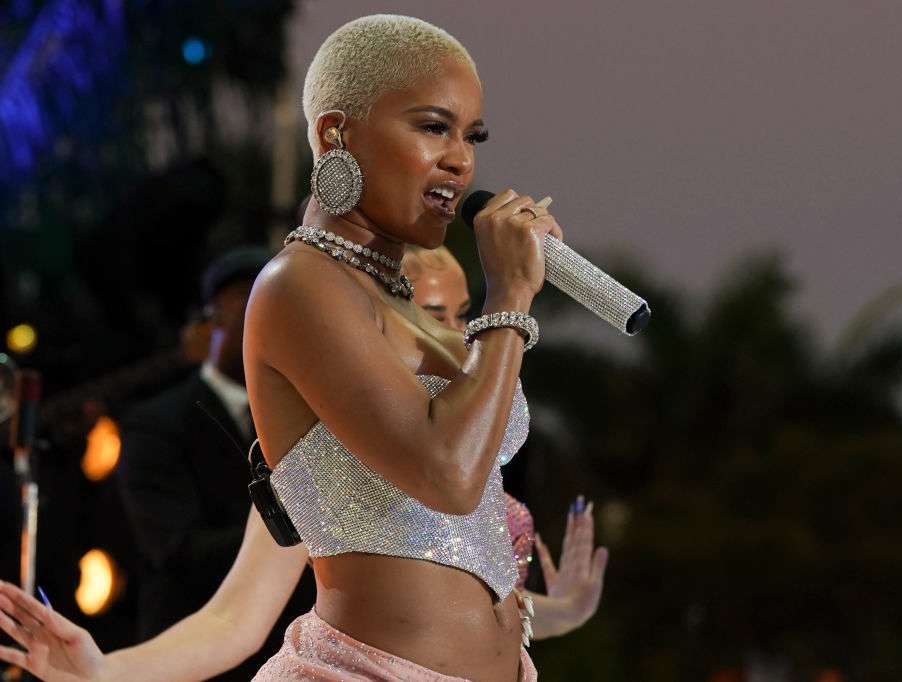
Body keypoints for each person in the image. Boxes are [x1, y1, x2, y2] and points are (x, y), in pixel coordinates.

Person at [1, 14, 584, 680]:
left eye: (472, 136)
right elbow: (447, 474)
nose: (461, 159)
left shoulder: (403, 310)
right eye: (433, 127)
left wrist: (555, 611)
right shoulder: (298, 288)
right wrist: (509, 298)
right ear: (336, 133)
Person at [0, 244, 608, 681]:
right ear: (372, 324)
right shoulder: (325, 450)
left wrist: (565, 611)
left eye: (462, 312)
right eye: (430, 313)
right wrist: (104, 671)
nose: (455, 336)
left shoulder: (472, 436)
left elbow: (473, 610)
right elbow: (235, 619)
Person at [115, 246, 316, 679]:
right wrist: (306, 529)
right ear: (214, 318)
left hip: (297, 651)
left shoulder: (314, 418)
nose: (272, 322)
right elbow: (175, 549)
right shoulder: (155, 424)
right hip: (192, 653)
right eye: (251, 303)